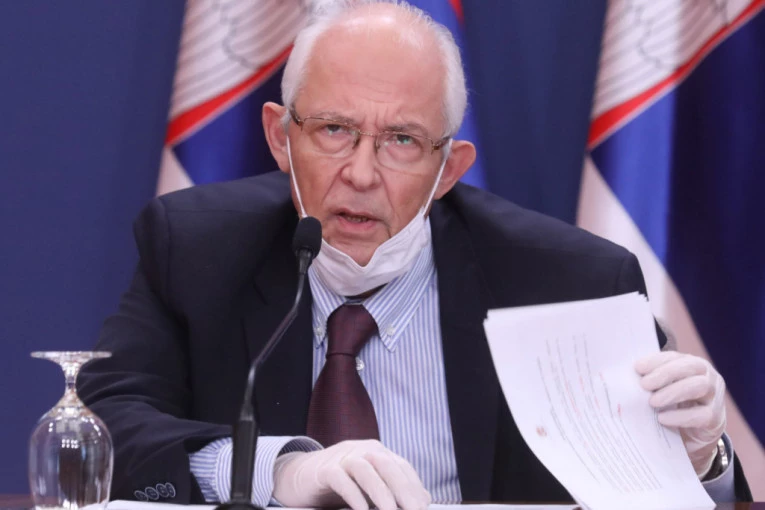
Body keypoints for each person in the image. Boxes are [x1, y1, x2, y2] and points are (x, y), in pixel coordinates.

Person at [78, 1, 750, 508]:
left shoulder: (570, 279)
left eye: (401, 140)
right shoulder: (195, 249)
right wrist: (279, 470)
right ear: (281, 138)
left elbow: (669, 488)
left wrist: (700, 458)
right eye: (334, 130)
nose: (360, 174)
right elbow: (105, 426)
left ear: (449, 168)